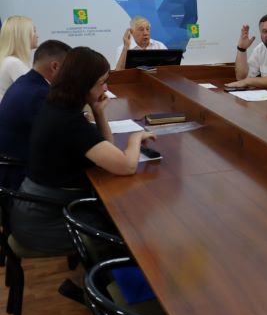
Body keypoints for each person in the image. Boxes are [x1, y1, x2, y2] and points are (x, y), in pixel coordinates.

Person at [11, 47, 156, 254]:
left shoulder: (58, 107)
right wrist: (136, 138)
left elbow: (105, 148)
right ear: (83, 84)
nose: (106, 88)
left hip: (38, 208)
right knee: (129, 229)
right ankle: (105, 273)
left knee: (119, 216)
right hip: (43, 223)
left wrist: (99, 113)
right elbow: (126, 166)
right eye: (101, 82)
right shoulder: (68, 122)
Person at [0, 40, 71, 189]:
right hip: (19, 177)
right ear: (55, 66)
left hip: (12, 167)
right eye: (69, 69)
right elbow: (65, 138)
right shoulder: (39, 94)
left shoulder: (26, 82)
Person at [0, 15, 38, 100]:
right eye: (34, 31)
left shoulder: (8, 60)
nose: (37, 36)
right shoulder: (13, 62)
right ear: (23, 35)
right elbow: (35, 90)